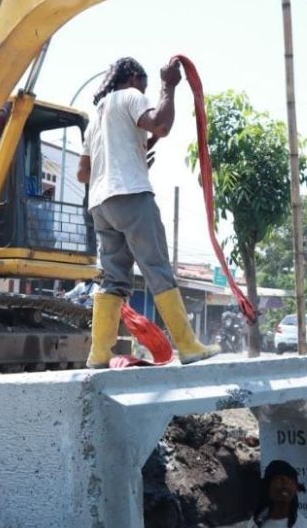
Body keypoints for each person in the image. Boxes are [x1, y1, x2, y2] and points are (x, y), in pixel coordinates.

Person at [77, 56, 219, 368]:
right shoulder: (130, 95)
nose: (146, 89)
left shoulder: (95, 118)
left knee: (114, 279)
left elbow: (83, 174)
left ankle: (98, 354)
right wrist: (168, 86)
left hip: (101, 205)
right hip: (131, 195)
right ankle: (188, 346)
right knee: (157, 268)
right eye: (145, 84)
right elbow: (161, 125)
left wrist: (134, 154)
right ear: (131, 77)